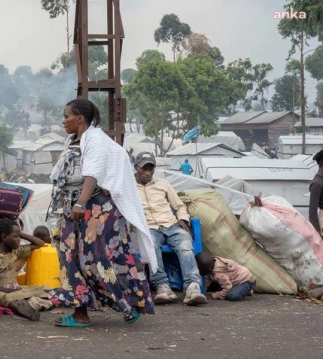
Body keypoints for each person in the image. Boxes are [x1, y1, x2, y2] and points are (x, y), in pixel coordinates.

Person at [46, 98, 156, 327]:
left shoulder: (95, 139)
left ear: (80, 119)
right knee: (70, 258)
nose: (63, 120)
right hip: (72, 207)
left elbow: (92, 174)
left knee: (97, 259)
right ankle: (80, 312)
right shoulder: (73, 141)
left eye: (67, 116)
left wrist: (81, 203)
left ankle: (129, 304)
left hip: (93, 210)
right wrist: (72, 206)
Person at [134, 152, 207, 306]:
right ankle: (162, 287)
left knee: (186, 246)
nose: (148, 173)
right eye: (144, 169)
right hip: (149, 228)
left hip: (170, 225)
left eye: (151, 169)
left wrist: (182, 218)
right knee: (151, 246)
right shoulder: (129, 187)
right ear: (136, 167)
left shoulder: (163, 184)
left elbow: (179, 205)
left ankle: (193, 287)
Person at [0, 219, 50, 321]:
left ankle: (26, 303)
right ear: (4, 237)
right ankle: (23, 308)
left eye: (19, 237)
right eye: (15, 236)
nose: (19, 240)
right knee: (6, 297)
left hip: (15, 288)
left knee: (39, 289)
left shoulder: (15, 252)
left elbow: (40, 243)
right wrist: (9, 291)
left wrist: (20, 233)